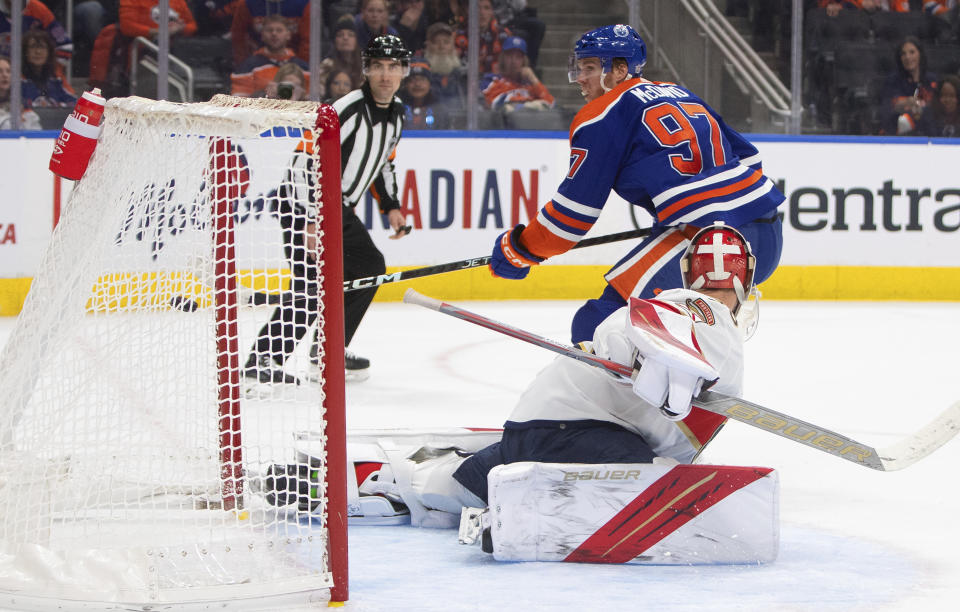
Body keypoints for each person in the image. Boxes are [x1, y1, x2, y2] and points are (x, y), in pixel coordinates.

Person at [488, 24, 784, 345]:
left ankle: (668, 383)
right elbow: (750, 160)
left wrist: (519, 249)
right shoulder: (679, 92)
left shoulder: (601, 114)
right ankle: (696, 361)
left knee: (599, 325)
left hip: (709, 244)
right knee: (661, 333)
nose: (580, 78)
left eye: (590, 67)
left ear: (620, 69)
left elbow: (571, 217)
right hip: (766, 236)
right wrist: (682, 213)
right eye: (579, 67)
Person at [243, 34, 412, 385]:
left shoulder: (397, 115)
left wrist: (392, 207)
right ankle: (262, 359)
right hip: (302, 206)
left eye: (392, 67)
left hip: (339, 210)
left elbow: (384, 163)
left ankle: (329, 347)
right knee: (309, 281)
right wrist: (309, 219)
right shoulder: (345, 109)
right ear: (366, 70)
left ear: (404, 72)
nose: (385, 74)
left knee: (369, 266)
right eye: (378, 66)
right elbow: (305, 162)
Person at [230, 14, 309, 98]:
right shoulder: (248, 67)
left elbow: (314, 102)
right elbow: (238, 102)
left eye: (279, 30)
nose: (274, 34)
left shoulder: (303, 68)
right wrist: (264, 95)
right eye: (269, 30)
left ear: (288, 35)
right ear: (262, 36)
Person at [879, 36, 937, 135]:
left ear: (920, 54)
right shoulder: (892, 81)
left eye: (912, 52)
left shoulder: (931, 80)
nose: (908, 57)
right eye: (903, 54)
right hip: (897, 136)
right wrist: (906, 102)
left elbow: (937, 109)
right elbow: (888, 108)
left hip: (928, 136)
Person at [481, 35, 552, 111]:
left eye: (518, 57)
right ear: (502, 58)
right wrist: (529, 104)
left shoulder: (530, 84)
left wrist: (534, 79)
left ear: (523, 60)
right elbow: (494, 103)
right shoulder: (491, 80)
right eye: (509, 56)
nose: (513, 61)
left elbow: (551, 103)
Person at [21, 29, 76, 108]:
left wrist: (58, 105)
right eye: (33, 47)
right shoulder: (17, 80)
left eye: (42, 47)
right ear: (25, 51)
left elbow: (73, 101)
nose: (38, 52)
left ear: (49, 52)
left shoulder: (56, 79)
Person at [399, 56, 449, 128]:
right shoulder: (396, 108)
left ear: (430, 84)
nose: (418, 84)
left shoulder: (440, 109)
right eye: (412, 79)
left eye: (422, 79)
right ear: (405, 84)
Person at [422, 21, 464, 105]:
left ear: (452, 45)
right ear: (428, 45)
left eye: (446, 42)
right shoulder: (421, 74)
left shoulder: (463, 75)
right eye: (436, 42)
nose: (442, 46)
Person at [0, 55, 42, 129]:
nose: (5, 75)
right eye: (0, 71)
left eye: (8, 71)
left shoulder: (22, 107)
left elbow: (36, 134)